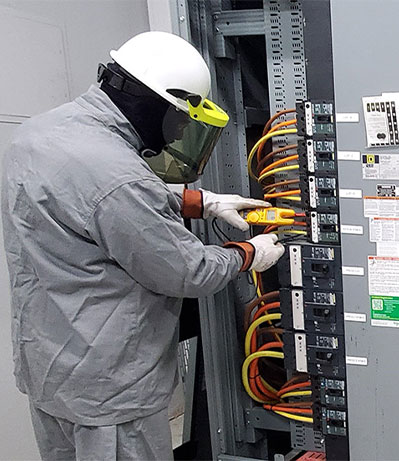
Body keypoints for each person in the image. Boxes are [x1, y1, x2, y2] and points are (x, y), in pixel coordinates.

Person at [1, 31, 284, 460]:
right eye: (182, 117)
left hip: (50, 368)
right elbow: (187, 270)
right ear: (161, 104)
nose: (180, 131)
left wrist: (201, 202)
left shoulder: (39, 134)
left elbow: (88, 203)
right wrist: (248, 254)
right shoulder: (119, 177)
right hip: (109, 389)